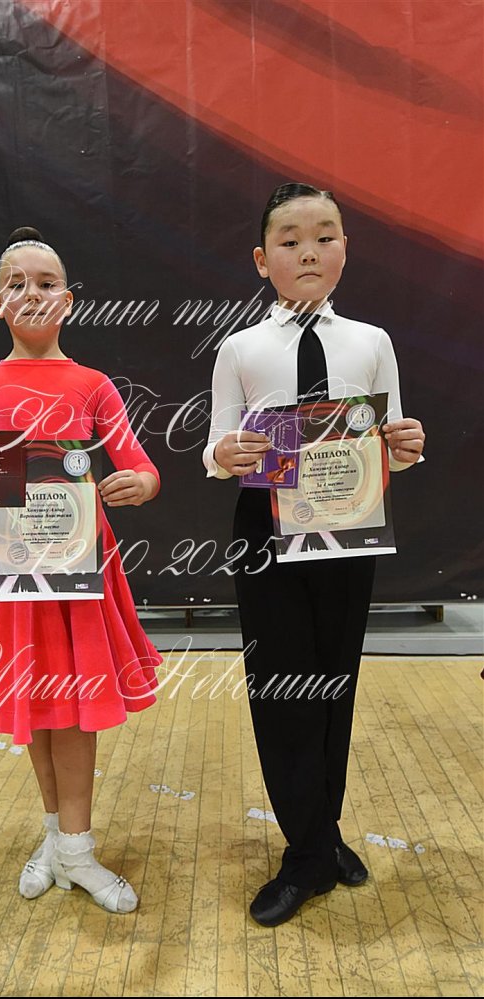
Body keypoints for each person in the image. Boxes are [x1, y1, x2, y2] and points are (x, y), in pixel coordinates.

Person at [202, 183, 425, 927]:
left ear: (344, 251)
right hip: (265, 528)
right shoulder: (241, 347)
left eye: (324, 236)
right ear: (262, 259)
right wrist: (224, 454)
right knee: (281, 687)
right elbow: (217, 444)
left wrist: (406, 445)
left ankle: (321, 833)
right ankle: (305, 853)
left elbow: (390, 437)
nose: (308, 251)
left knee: (335, 681)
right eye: (290, 239)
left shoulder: (372, 342)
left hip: (349, 527)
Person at [0, 226, 162, 914]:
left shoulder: (94, 385)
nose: (32, 293)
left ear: (69, 299)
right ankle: (58, 840)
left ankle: (77, 849)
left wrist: (139, 485)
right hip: (12, 570)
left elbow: (142, 466)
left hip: (81, 568)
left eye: (46, 282)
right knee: (34, 700)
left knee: (76, 706)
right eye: (16, 283)